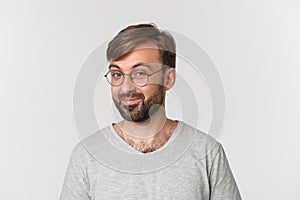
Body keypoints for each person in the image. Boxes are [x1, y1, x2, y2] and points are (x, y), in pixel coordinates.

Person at [60, 23, 242, 200]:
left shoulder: (207, 153)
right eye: (117, 74)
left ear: (168, 79)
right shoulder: (86, 156)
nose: (125, 88)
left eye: (140, 73)